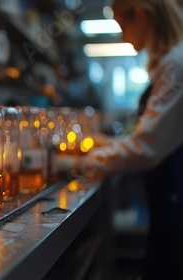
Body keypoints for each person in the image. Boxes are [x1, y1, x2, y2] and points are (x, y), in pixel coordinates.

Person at [64, 0, 183, 279]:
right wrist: (107, 145)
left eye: (121, 25)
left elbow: (147, 148)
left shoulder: (176, 66)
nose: (121, 35)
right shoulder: (170, 63)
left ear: (140, 16)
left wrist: (80, 162)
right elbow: (158, 135)